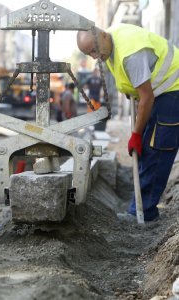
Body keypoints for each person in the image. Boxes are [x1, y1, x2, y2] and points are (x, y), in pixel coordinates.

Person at [77, 23, 179, 222]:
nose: (95, 56)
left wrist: (136, 135)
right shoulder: (111, 47)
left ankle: (143, 214)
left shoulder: (130, 53)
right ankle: (141, 207)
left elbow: (146, 96)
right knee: (149, 150)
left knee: (156, 150)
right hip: (162, 93)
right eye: (89, 54)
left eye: (95, 50)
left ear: (105, 36)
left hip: (173, 91)